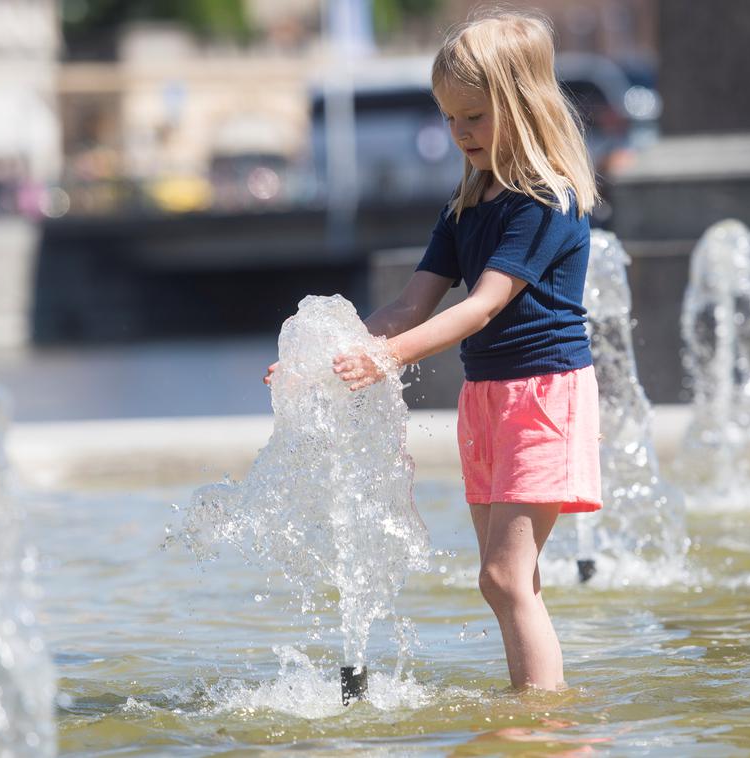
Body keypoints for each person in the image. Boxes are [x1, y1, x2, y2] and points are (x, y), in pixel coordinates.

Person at [266, 11, 601, 691]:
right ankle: (535, 710)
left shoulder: (545, 201)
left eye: (474, 116)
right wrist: (322, 363)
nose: (460, 133)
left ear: (522, 106)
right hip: (488, 401)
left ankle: (542, 724)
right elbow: (408, 307)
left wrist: (388, 361)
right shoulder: (467, 205)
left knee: (504, 578)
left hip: (544, 397)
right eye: (450, 119)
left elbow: (481, 306)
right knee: (510, 582)